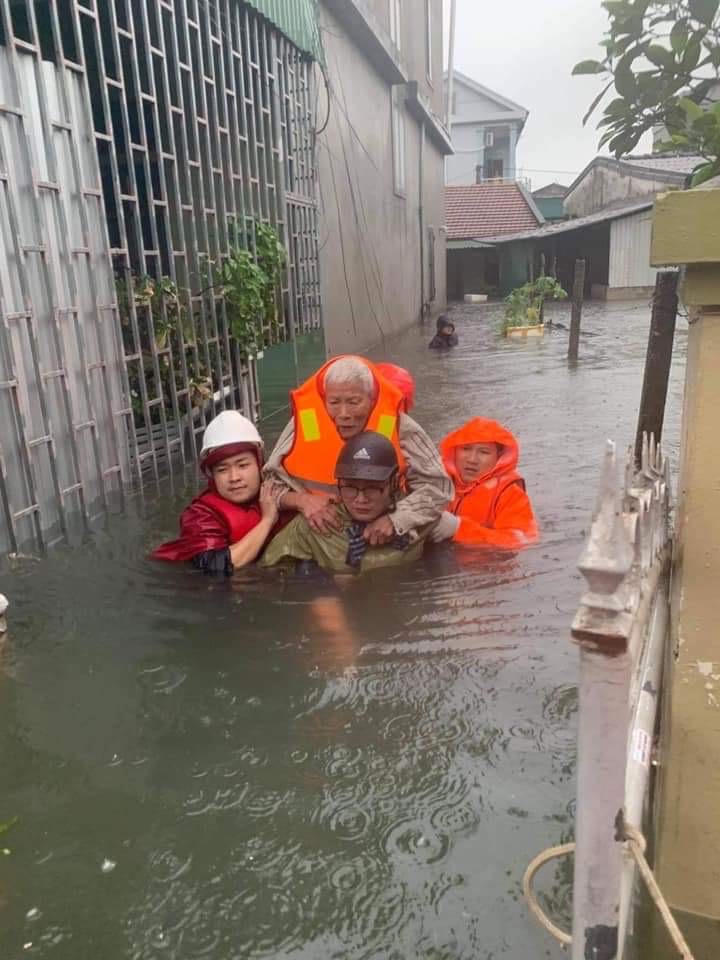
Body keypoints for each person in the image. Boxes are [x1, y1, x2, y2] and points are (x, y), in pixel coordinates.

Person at [264, 355, 451, 544]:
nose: (344, 414)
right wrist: (302, 501)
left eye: (353, 402)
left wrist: (397, 519)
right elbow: (268, 485)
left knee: (445, 524)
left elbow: (439, 488)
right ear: (324, 400)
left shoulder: (399, 425)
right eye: (334, 403)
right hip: (320, 530)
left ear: (371, 399)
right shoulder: (305, 423)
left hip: (382, 528)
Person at [262, 431, 428, 573]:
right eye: (350, 488)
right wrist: (318, 584)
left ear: (393, 483)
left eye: (372, 488)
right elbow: (268, 574)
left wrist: (399, 521)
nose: (360, 499)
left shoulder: (419, 518)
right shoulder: (316, 525)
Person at [151, 410, 280, 575]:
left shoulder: (272, 490)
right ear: (212, 475)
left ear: (259, 463)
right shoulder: (199, 516)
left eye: (243, 465)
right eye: (222, 470)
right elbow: (217, 567)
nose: (234, 477)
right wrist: (267, 521)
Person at [433, 417, 538, 549]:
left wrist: (459, 529)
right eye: (466, 449)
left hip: (482, 560)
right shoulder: (436, 479)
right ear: (455, 451)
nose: (472, 459)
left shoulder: (510, 494)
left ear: (499, 457)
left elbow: (522, 540)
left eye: (484, 452)